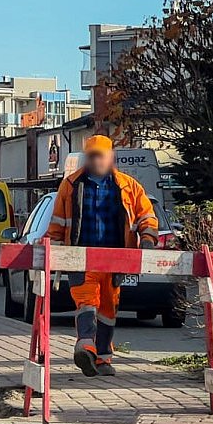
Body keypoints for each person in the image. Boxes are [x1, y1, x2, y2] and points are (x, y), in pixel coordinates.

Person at [47, 134, 158, 377]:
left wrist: (148, 239)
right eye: (92, 155)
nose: (97, 160)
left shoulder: (128, 186)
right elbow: (57, 221)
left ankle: (103, 357)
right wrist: (51, 246)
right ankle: (85, 345)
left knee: (108, 308)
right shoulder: (71, 185)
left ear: (110, 157)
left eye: (101, 155)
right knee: (86, 301)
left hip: (115, 258)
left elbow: (146, 216)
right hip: (80, 257)